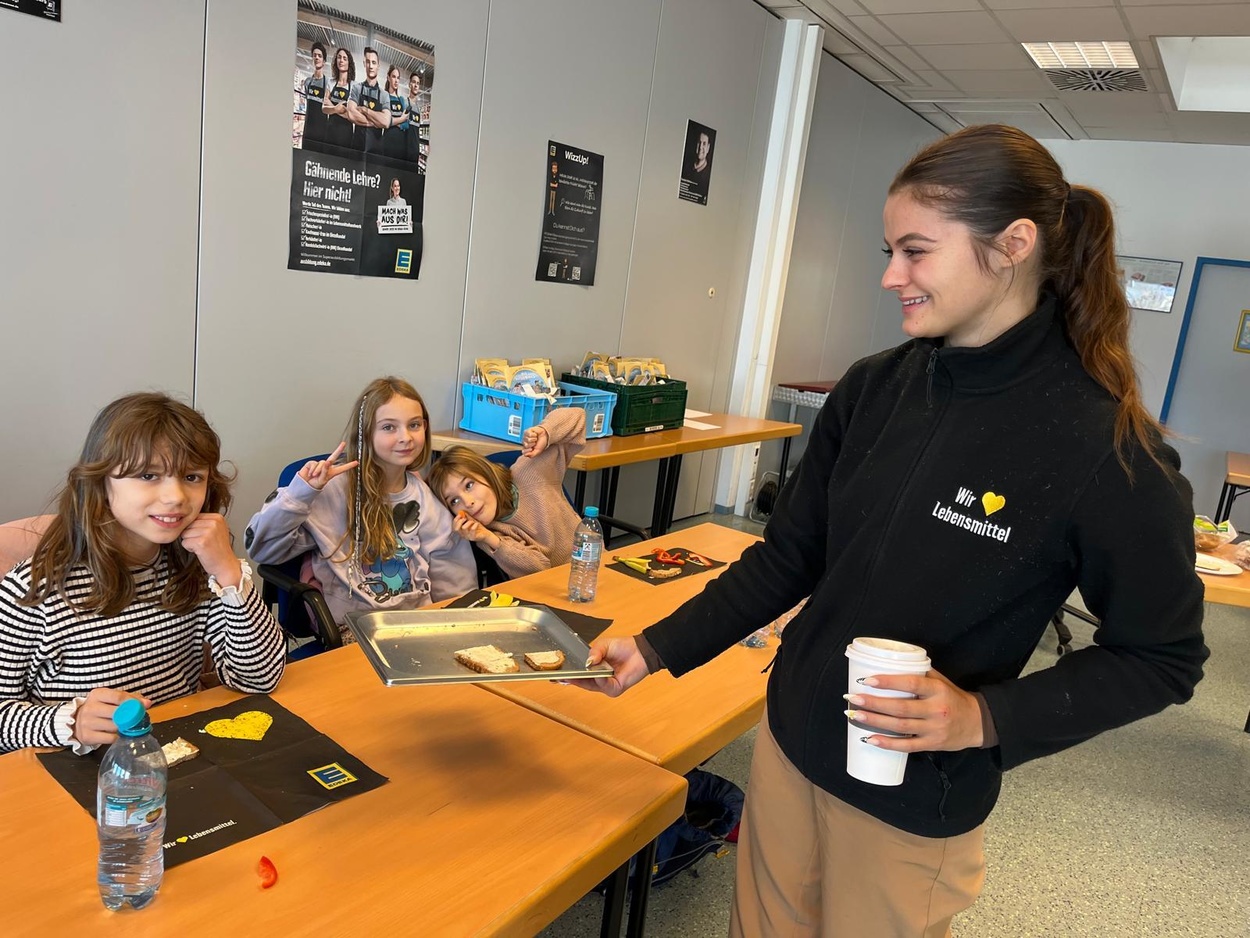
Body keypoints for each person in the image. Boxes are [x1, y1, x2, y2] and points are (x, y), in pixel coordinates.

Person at [576, 124, 1208, 935]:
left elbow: (1161, 658)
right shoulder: (874, 388)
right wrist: (655, 646)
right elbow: (789, 557)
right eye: (890, 251)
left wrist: (984, 719)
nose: (890, 276)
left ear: (1013, 245)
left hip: (911, 802)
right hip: (791, 747)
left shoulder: (1105, 447)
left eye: (916, 252)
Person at [0, 393, 286, 754]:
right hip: (81, 772)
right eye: (148, 475)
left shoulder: (197, 566)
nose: (175, 497)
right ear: (101, 482)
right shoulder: (33, 590)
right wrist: (69, 722)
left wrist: (229, 574)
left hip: (177, 756)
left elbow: (260, 677)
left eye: (192, 476)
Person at [246, 377, 476, 630]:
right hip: (351, 626)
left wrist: (456, 628)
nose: (406, 437)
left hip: (413, 624)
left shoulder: (425, 499)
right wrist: (302, 493)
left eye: (414, 425)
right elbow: (262, 549)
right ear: (365, 433)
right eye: (389, 427)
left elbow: (455, 580)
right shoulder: (331, 490)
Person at [427, 408, 586, 579]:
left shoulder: (529, 472)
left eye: (469, 485)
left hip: (592, 569)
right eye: (454, 501)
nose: (467, 502)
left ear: (486, 473)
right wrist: (489, 538)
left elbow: (578, 417)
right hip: (554, 587)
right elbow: (539, 568)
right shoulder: (488, 532)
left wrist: (545, 432)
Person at [347, 47, 389, 155]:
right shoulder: (356, 88)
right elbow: (351, 114)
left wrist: (365, 110)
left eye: (374, 62)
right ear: (364, 64)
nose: (370, 66)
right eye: (368, 62)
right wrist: (375, 122)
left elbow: (385, 122)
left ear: (378, 66)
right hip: (357, 148)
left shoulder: (384, 95)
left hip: (376, 151)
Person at [321, 47, 357, 154]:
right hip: (330, 131)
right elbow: (324, 108)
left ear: (349, 63)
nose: (341, 60)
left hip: (345, 134)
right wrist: (337, 109)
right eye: (339, 57)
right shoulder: (331, 82)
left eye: (344, 58)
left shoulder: (354, 86)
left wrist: (331, 107)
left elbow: (352, 116)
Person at [301, 41, 330, 153]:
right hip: (307, 130)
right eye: (314, 55)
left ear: (324, 61)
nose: (316, 58)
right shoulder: (307, 82)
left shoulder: (327, 83)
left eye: (320, 56)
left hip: (321, 133)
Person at [382, 65, 412, 164]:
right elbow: (383, 122)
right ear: (388, 78)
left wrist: (392, 122)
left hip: (400, 144)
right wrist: (400, 120)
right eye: (393, 77)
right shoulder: (384, 97)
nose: (396, 81)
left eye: (398, 78)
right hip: (387, 143)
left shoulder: (401, 100)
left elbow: (406, 124)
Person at [405, 71, 424, 167]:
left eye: (418, 83)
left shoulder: (419, 109)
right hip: (404, 152)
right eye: (413, 82)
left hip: (415, 153)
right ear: (409, 85)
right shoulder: (405, 103)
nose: (416, 85)